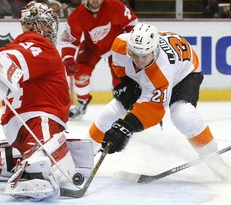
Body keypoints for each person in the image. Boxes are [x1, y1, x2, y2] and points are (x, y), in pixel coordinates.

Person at [0, 2, 93, 200]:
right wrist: (3, 70)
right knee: (60, 162)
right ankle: (36, 169)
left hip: (16, 127)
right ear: (36, 25)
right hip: (39, 121)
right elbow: (14, 59)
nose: (51, 30)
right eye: (47, 24)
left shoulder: (4, 50)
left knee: (40, 149)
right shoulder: (41, 45)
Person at [88, 23, 231, 180]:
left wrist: (126, 126)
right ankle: (85, 156)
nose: (139, 61)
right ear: (129, 48)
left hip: (184, 73)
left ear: (154, 51)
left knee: (182, 115)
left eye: (144, 56)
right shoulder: (119, 46)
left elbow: (154, 111)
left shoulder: (162, 71)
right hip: (158, 69)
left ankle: (216, 162)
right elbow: (121, 69)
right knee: (116, 108)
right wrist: (126, 85)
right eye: (134, 54)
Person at [60, 0, 138, 119]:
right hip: (92, 47)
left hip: (116, 44)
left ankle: (122, 103)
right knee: (80, 72)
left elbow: (132, 22)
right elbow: (69, 39)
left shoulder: (114, 5)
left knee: (120, 76)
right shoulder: (77, 15)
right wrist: (68, 58)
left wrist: (128, 42)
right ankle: (81, 103)